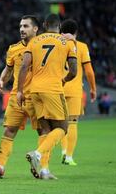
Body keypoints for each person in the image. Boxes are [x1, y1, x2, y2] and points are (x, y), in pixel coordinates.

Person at [17, 14, 77, 179]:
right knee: (63, 128)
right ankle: (37, 153)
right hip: (52, 89)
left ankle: (44, 170)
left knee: (45, 129)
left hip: (34, 90)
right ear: (59, 27)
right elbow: (73, 71)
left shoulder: (34, 41)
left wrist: (20, 91)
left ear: (44, 25)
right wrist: (64, 80)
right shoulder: (67, 43)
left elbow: (23, 67)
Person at [0, 15, 40, 179]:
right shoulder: (14, 48)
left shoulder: (43, 47)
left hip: (37, 96)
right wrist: (1, 80)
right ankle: (0, 167)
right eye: (21, 26)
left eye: (26, 26)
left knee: (43, 131)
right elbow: (8, 69)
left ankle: (42, 167)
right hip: (17, 96)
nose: (22, 29)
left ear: (35, 29)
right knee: (9, 130)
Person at [60, 19, 97, 166]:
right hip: (75, 89)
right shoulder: (81, 47)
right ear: (76, 32)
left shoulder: (57, 44)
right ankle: (69, 156)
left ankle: (63, 150)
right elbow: (89, 71)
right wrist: (93, 89)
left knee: (59, 123)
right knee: (73, 122)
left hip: (58, 87)